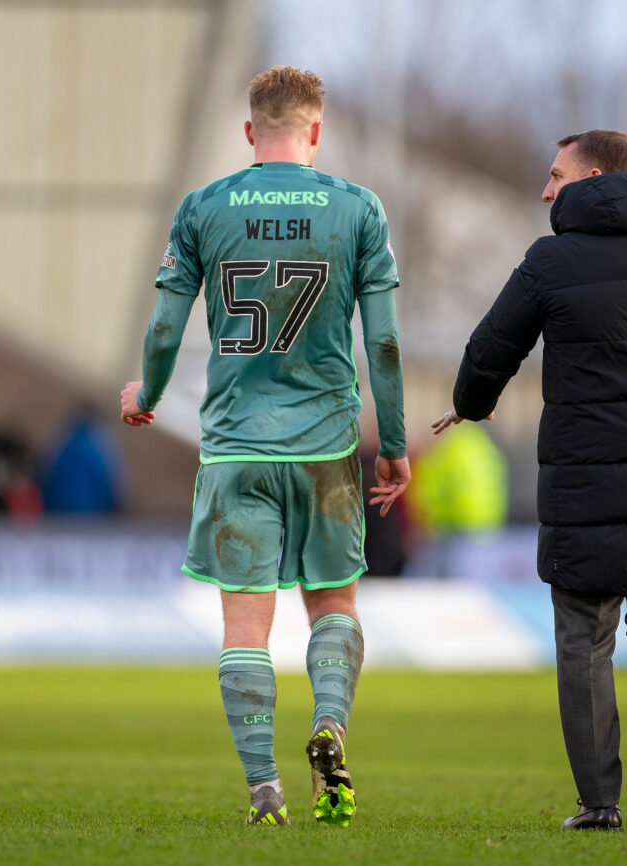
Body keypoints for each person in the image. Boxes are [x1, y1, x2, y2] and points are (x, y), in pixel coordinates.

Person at [433, 130, 627, 831]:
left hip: (584, 481)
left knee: (584, 633)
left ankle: (600, 804)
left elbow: (492, 348)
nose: (546, 191)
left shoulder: (553, 260)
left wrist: (468, 406)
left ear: (595, 176)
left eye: (555, 176)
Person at [120, 66, 410, 828]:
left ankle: (265, 793)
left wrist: (144, 396)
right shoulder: (356, 210)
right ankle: (330, 726)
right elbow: (381, 341)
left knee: (245, 629)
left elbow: (162, 329)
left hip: (236, 450)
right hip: (325, 450)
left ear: (251, 132)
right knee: (336, 606)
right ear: (316, 131)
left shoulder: (204, 208)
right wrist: (397, 444)